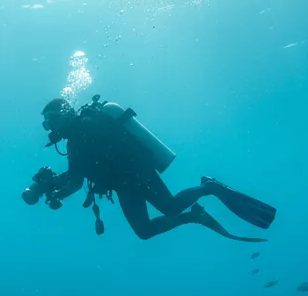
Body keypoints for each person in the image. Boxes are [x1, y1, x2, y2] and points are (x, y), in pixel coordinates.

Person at [22, 96, 276, 240]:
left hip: (136, 173)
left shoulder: (84, 130)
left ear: (65, 114)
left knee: (170, 207)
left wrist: (55, 186)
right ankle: (195, 216)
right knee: (144, 231)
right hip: (123, 184)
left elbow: (77, 178)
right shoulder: (75, 139)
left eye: (51, 120)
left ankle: (208, 187)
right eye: (47, 123)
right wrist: (55, 188)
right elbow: (78, 177)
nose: (49, 127)